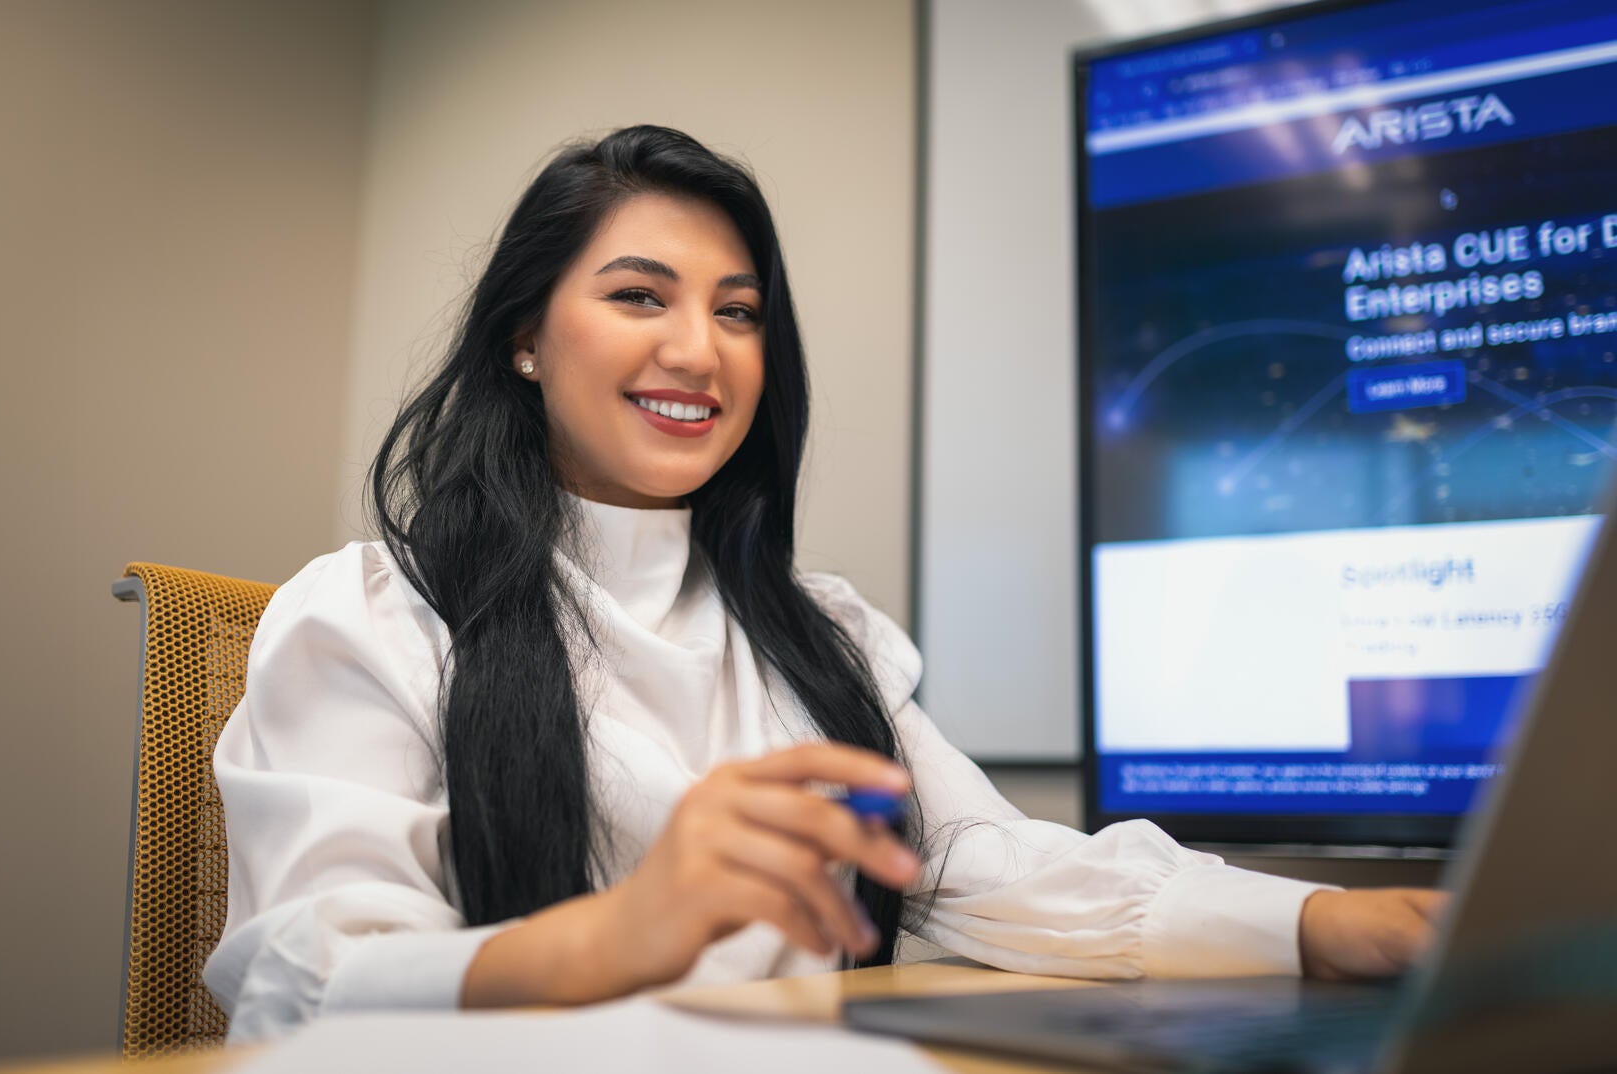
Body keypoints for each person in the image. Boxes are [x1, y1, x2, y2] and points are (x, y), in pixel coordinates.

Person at [203, 125, 1443, 1041]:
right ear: (524, 337)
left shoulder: (822, 633)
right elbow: (302, 979)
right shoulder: (370, 615)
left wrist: (1320, 921)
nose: (699, 350)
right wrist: (611, 938)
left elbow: (978, 870)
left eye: (739, 314)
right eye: (640, 295)